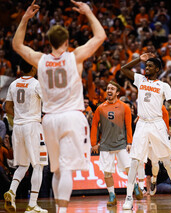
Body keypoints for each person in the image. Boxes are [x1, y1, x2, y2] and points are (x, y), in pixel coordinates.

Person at [11, 1, 106, 212]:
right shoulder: (75, 57)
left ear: (49, 41)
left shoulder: (40, 60)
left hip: (49, 119)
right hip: (71, 116)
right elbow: (100, 37)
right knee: (65, 169)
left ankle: (58, 209)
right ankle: (63, 211)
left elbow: (17, 45)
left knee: (56, 170)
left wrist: (25, 18)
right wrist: (88, 12)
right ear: (67, 41)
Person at [120, 52, 171, 209]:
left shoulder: (164, 86)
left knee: (167, 161)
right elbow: (123, 69)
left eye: (149, 66)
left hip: (157, 124)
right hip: (142, 124)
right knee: (135, 161)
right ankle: (128, 197)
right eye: (145, 65)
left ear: (157, 69)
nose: (146, 68)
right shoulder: (140, 80)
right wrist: (138, 59)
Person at [4, 65, 48, 213]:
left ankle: (12, 191)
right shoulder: (36, 84)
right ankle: (32, 205)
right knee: (38, 165)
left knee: (23, 165)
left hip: (18, 127)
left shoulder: (13, 84)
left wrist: (19, 116)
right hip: (33, 127)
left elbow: (7, 107)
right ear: (33, 69)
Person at [91, 81, 141, 206]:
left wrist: (129, 142)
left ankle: (134, 186)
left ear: (117, 92)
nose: (109, 90)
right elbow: (94, 125)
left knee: (129, 168)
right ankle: (112, 196)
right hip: (105, 145)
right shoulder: (100, 108)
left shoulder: (125, 107)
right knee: (107, 172)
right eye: (108, 88)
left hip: (121, 144)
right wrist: (94, 143)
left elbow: (128, 126)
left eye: (112, 89)